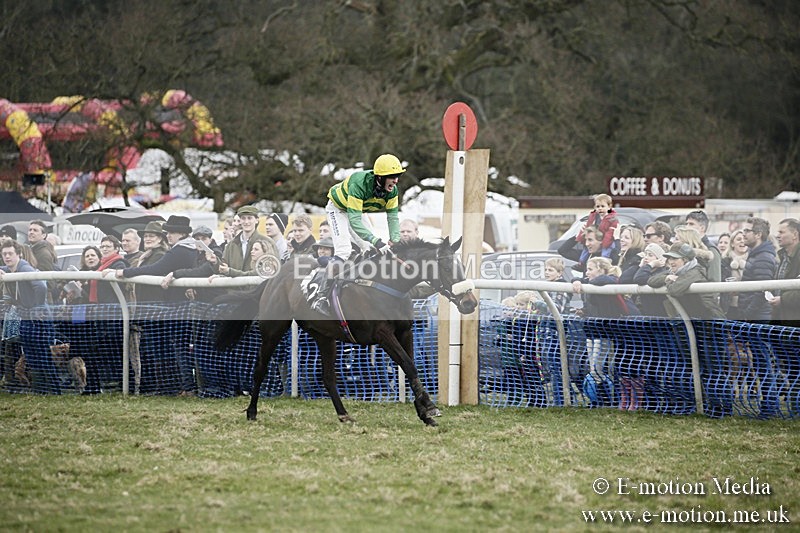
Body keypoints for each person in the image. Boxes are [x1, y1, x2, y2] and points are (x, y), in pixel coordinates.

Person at [314, 153, 405, 313]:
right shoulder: (359, 182)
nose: (395, 180)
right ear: (380, 177)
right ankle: (321, 297)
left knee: (370, 249)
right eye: (392, 177)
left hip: (356, 210)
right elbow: (355, 221)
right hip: (338, 209)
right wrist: (377, 241)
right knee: (344, 251)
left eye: (397, 176)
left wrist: (394, 240)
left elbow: (393, 218)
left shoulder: (392, 191)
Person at [572, 257, 629, 407]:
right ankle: (600, 400)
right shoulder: (592, 283)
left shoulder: (609, 280)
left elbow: (603, 280)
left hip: (605, 334)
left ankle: (607, 399)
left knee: (598, 369)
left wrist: (582, 281)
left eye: (590, 269)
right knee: (593, 369)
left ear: (601, 269)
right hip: (591, 332)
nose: (587, 273)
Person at [113, 216, 200, 302]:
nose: (168, 236)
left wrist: (125, 272)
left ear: (182, 234)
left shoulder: (178, 251)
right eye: (145, 236)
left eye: (172, 232)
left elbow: (155, 269)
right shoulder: (191, 249)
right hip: (176, 300)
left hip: (168, 302)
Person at [647, 243, 725, 319]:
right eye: (670, 258)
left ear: (685, 260)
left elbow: (674, 290)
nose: (671, 262)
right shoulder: (674, 272)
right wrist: (667, 277)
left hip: (711, 318)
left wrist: (669, 281)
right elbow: (651, 280)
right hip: (696, 318)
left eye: (674, 258)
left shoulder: (695, 272)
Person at [737, 217, 777, 322]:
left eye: (747, 231)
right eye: (743, 231)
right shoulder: (756, 254)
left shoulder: (763, 257)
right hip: (755, 315)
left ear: (758, 235)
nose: (743, 234)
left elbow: (762, 291)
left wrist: (747, 313)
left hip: (758, 317)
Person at [222, 206, 279, 274]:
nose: (246, 222)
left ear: (257, 220)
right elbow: (224, 268)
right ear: (240, 221)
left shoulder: (268, 242)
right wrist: (216, 263)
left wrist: (231, 272)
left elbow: (273, 270)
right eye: (243, 218)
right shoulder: (231, 245)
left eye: (249, 218)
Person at [770, 218, 800, 326]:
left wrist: (782, 300)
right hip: (782, 318)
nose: (777, 235)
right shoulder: (783, 256)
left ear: (794, 235)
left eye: (781, 232)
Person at [0, 239, 47, 308]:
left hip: (35, 315)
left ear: (18, 254)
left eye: (10, 253)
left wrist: (38, 308)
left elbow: (41, 287)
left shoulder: (25, 268)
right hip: (23, 313)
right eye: (4, 254)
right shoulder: (7, 269)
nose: (7, 256)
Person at [132, 221, 170, 303]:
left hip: (153, 302)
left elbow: (144, 270)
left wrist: (123, 272)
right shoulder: (147, 255)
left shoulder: (159, 255)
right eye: (145, 236)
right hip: (145, 301)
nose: (147, 239)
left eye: (151, 236)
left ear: (160, 239)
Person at [632, 242, 670, 317]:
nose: (646, 257)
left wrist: (651, 264)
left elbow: (639, 279)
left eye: (650, 255)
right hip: (646, 315)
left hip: (660, 317)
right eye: (645, 254)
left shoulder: (664, 272)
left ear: (660, 259)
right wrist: (640, 266)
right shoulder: (643, 270)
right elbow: (624, 279)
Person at [576, 194, 618, 258]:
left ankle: (604, 259)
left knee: (607, 249)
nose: (600, 208)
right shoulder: (593, 216)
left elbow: (610, 232)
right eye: (598, 206)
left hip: (606, 239)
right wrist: (581, 237)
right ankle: (581, 262)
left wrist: (605, 242)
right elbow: (588, 226)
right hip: (595, 239)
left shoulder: (611, 218)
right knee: (585, 250)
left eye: (602, 206)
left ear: (609, 206)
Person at [88, 236, 128, 304]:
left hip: (111, 306)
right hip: (101, 305)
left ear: (116, 249)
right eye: (102, 247)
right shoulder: (101, 264)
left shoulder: (119, 264)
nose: (104, 249)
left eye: (108, 246)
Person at [685, 210, 721, 282]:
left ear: (702, 228)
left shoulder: (711, 250)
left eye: (691, 224)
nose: (687, 227)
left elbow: (714, 281)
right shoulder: (687, 247)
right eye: (687, 224)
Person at [720, 229, 748, 319]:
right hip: (730, 306)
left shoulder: (753, 259)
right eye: (739, 239)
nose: (742, 241)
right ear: (732, 244)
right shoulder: (725, 261)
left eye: (744, 238)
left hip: (748, 306)